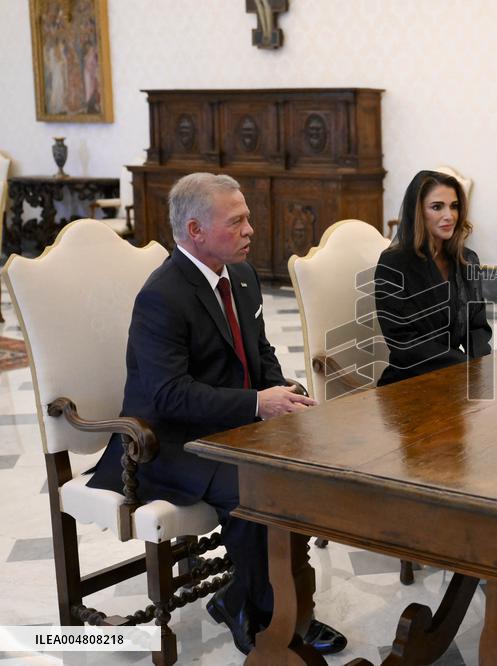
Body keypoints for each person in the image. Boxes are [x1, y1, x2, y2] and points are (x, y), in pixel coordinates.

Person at [86, 173, 346, 656]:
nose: (251, 229)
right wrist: (254, 403)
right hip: (164, 444)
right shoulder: (162, 295)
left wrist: (280, 390)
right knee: (258, 487)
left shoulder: (241, 276)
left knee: (310, 463)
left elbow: (259, 353)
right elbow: (168, 395)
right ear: (195, 230)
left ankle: (280, 602)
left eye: (248, 217)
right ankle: (261, 615)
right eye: (238, 221)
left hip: (227, 428)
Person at [375, 170, 492, 386]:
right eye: (437, 207)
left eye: (454, 206)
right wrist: (463, 365)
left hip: (459, 379)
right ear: (418, 211)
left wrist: (479, 369)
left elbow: (478, 327)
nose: (450, 216)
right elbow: (403, 342)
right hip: (407, 385)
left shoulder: (467, 260)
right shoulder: (393, 264)